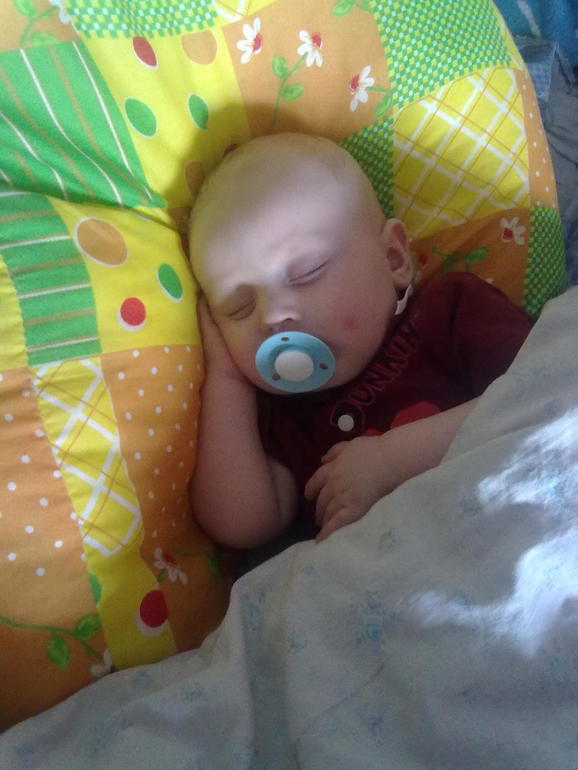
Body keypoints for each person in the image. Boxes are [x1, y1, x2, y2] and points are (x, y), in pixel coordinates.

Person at [188, 133, 533, 548]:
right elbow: (242, 525)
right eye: (239, 307)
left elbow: (543, 393)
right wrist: (228, 381)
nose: (272, 316)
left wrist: (392, 460)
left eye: (306, 272)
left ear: (393, 258)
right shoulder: (284, 418)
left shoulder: (448, 311)